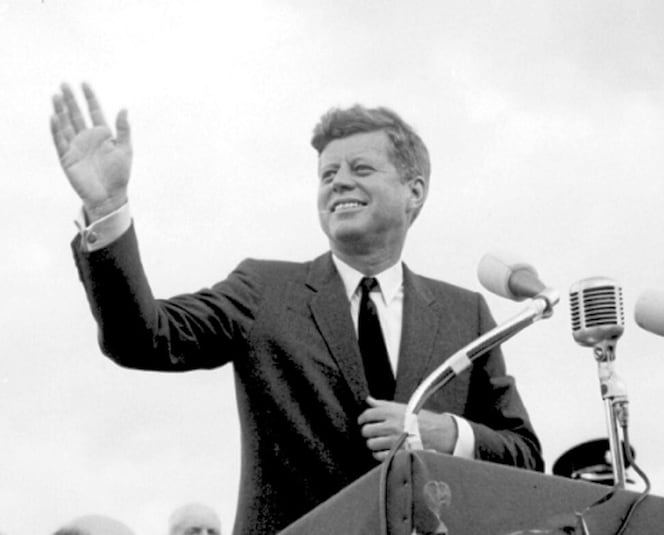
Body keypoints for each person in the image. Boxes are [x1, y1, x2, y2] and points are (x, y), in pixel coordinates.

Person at [49, 82, 544, 534]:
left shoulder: (466, 316)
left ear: (414, 192)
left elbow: (525, 456)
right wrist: (108, 208)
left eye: (361, 168)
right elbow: (143, 337)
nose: (339, 183)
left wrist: (447, 433)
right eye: (328, 173)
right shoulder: (264, 290)